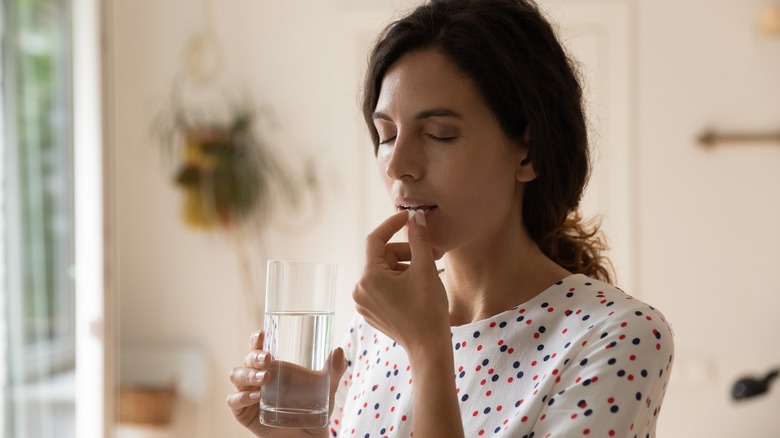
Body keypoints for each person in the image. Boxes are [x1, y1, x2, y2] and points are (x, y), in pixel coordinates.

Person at [227, 0, 674, 436]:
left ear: (528, 152)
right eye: (386, 135)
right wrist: (300, 433)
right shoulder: (376, 327)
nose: (398, 164)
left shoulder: (617, 335)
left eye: (439, 134)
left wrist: (428, 349)